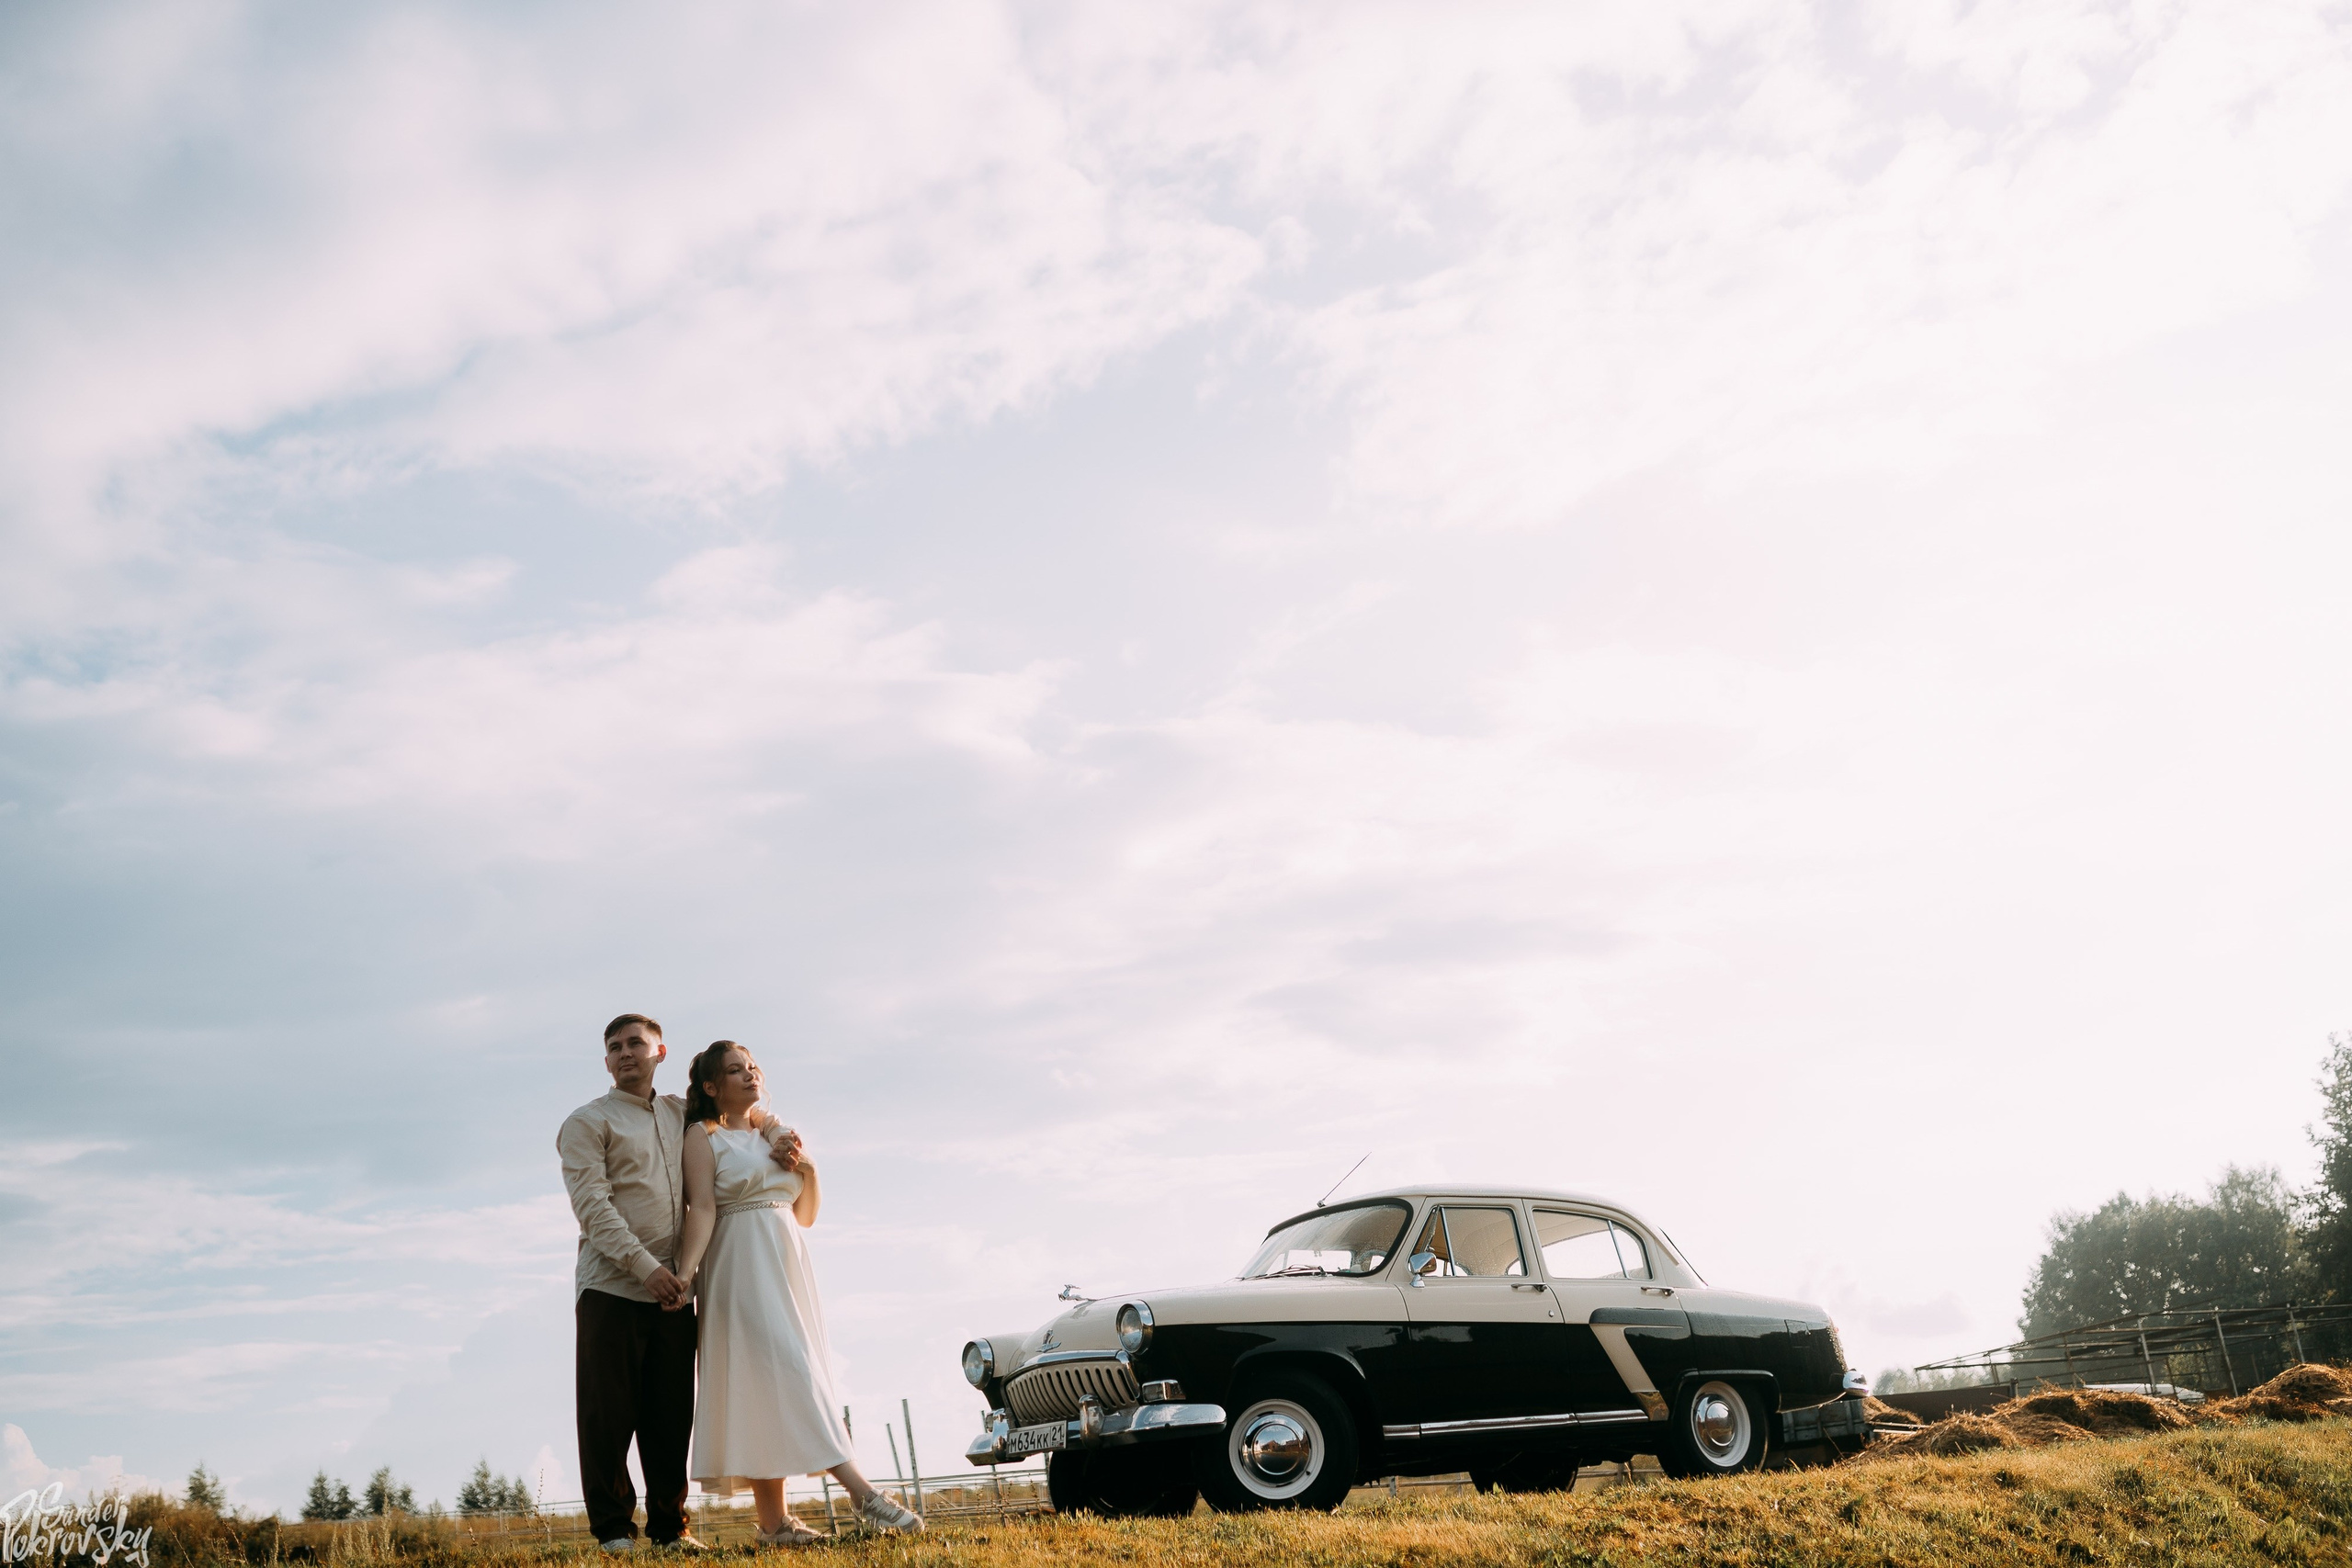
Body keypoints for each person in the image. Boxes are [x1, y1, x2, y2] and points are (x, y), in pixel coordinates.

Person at [557, 1013, 796, 1552]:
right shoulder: (587, 1123)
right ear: (606, 1062)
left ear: (659, 1053)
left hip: (676, 1293)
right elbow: (592, 1208)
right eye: (614, 1047)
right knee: (607, 1416)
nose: (625, 1053)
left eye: (635, 1044)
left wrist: (779, 1133)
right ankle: (614, 1532)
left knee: (670, 1416)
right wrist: (647, 1269)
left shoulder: (680, 1113)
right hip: (611, 1289)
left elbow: (747, 1110)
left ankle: (670, 1531)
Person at [672, 1040, 922, 1541]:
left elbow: (804, 1215)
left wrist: (808, 1169)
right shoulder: (703, 1136)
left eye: (752, 1067)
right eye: (736, 1071)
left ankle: (774, 1524)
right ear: (711, 1086)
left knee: (768, 1382)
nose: (750, 1075)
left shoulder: (776, 1134)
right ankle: (863, 1493)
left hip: (787, 1264)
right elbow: (702, 1209)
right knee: (791, 1369)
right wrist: (685, 1274)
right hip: (738, 1267)